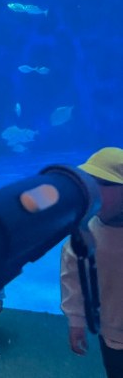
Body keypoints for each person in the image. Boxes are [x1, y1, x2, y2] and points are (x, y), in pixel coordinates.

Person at [60, 146, 123, 378]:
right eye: (90, 182)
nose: (94, 189)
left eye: (104, 183)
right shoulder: (85, 233)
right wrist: (76, 321)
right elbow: (72, 278)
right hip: (112, 334)